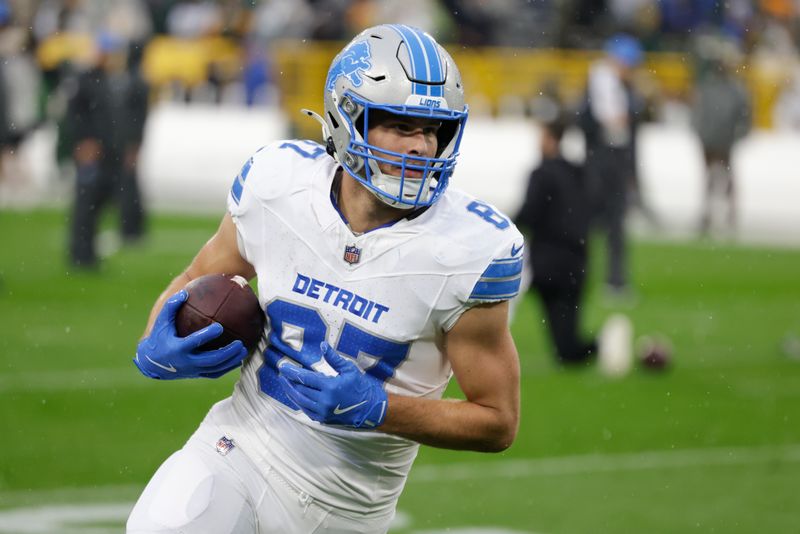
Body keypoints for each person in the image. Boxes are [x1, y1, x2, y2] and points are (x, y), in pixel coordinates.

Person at [127, 24, 523, 533]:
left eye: (433, 129)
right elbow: (196, 278)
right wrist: (153, 344)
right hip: (238, 449)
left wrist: (380, 408)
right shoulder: (278, 185)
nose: (423, 147)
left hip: (347, 509)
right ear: (346, 117)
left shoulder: (469, 250)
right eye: (402, 126)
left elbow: (497, 421)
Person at [515, 118, 596, 365]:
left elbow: (529, 213)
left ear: (550, 139)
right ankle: (597, 346)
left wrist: (503, 226)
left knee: (564, 345)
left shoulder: (541, 174)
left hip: (548, 261)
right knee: (567, 341)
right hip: (578, 258)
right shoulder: (578, 171)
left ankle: (600, 345)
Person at [66, 31, 148, 268]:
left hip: (110, 152)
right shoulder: (84, 80)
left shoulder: (110, 79)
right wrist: (83, 141)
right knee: (85, 204)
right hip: (91, 152)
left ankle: (89, 254)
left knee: (98, 203)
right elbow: (75, 116)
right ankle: (80, 254)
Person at [578, 33, 645, 296]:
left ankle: (605, 279)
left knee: (604, 224)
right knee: (609, 223)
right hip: (605, 162)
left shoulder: (607, 82)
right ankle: (611, 280)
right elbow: (612, 122)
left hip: (605, 161)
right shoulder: (603, 81)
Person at [690, 38, 751, 235]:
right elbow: (698, 113)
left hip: (725, 140)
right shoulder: (709, 86)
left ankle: (730, 215)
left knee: (727, 179)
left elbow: (745, 116)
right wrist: (699, 132)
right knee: (709, 178)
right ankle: (708, 214)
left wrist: (738, 135)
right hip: (710, 140)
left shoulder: (734, 89)